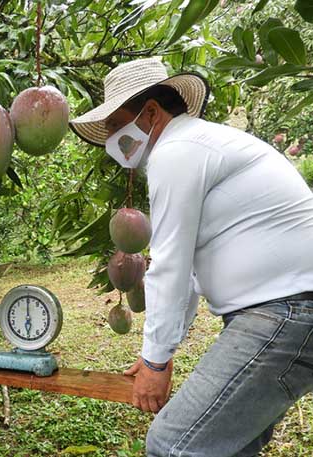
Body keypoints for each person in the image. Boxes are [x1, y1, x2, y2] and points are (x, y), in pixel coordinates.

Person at [70, 58, 313, 456]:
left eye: (117, 125)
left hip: (286, 312)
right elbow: (190, 277)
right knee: (230, 447)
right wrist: (158, 357)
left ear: (151, 112)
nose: (114, 138)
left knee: (171, 444)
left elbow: (169, 267)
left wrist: (155, 363)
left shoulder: (178, 150)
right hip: (284, 312)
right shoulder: (198, 146)